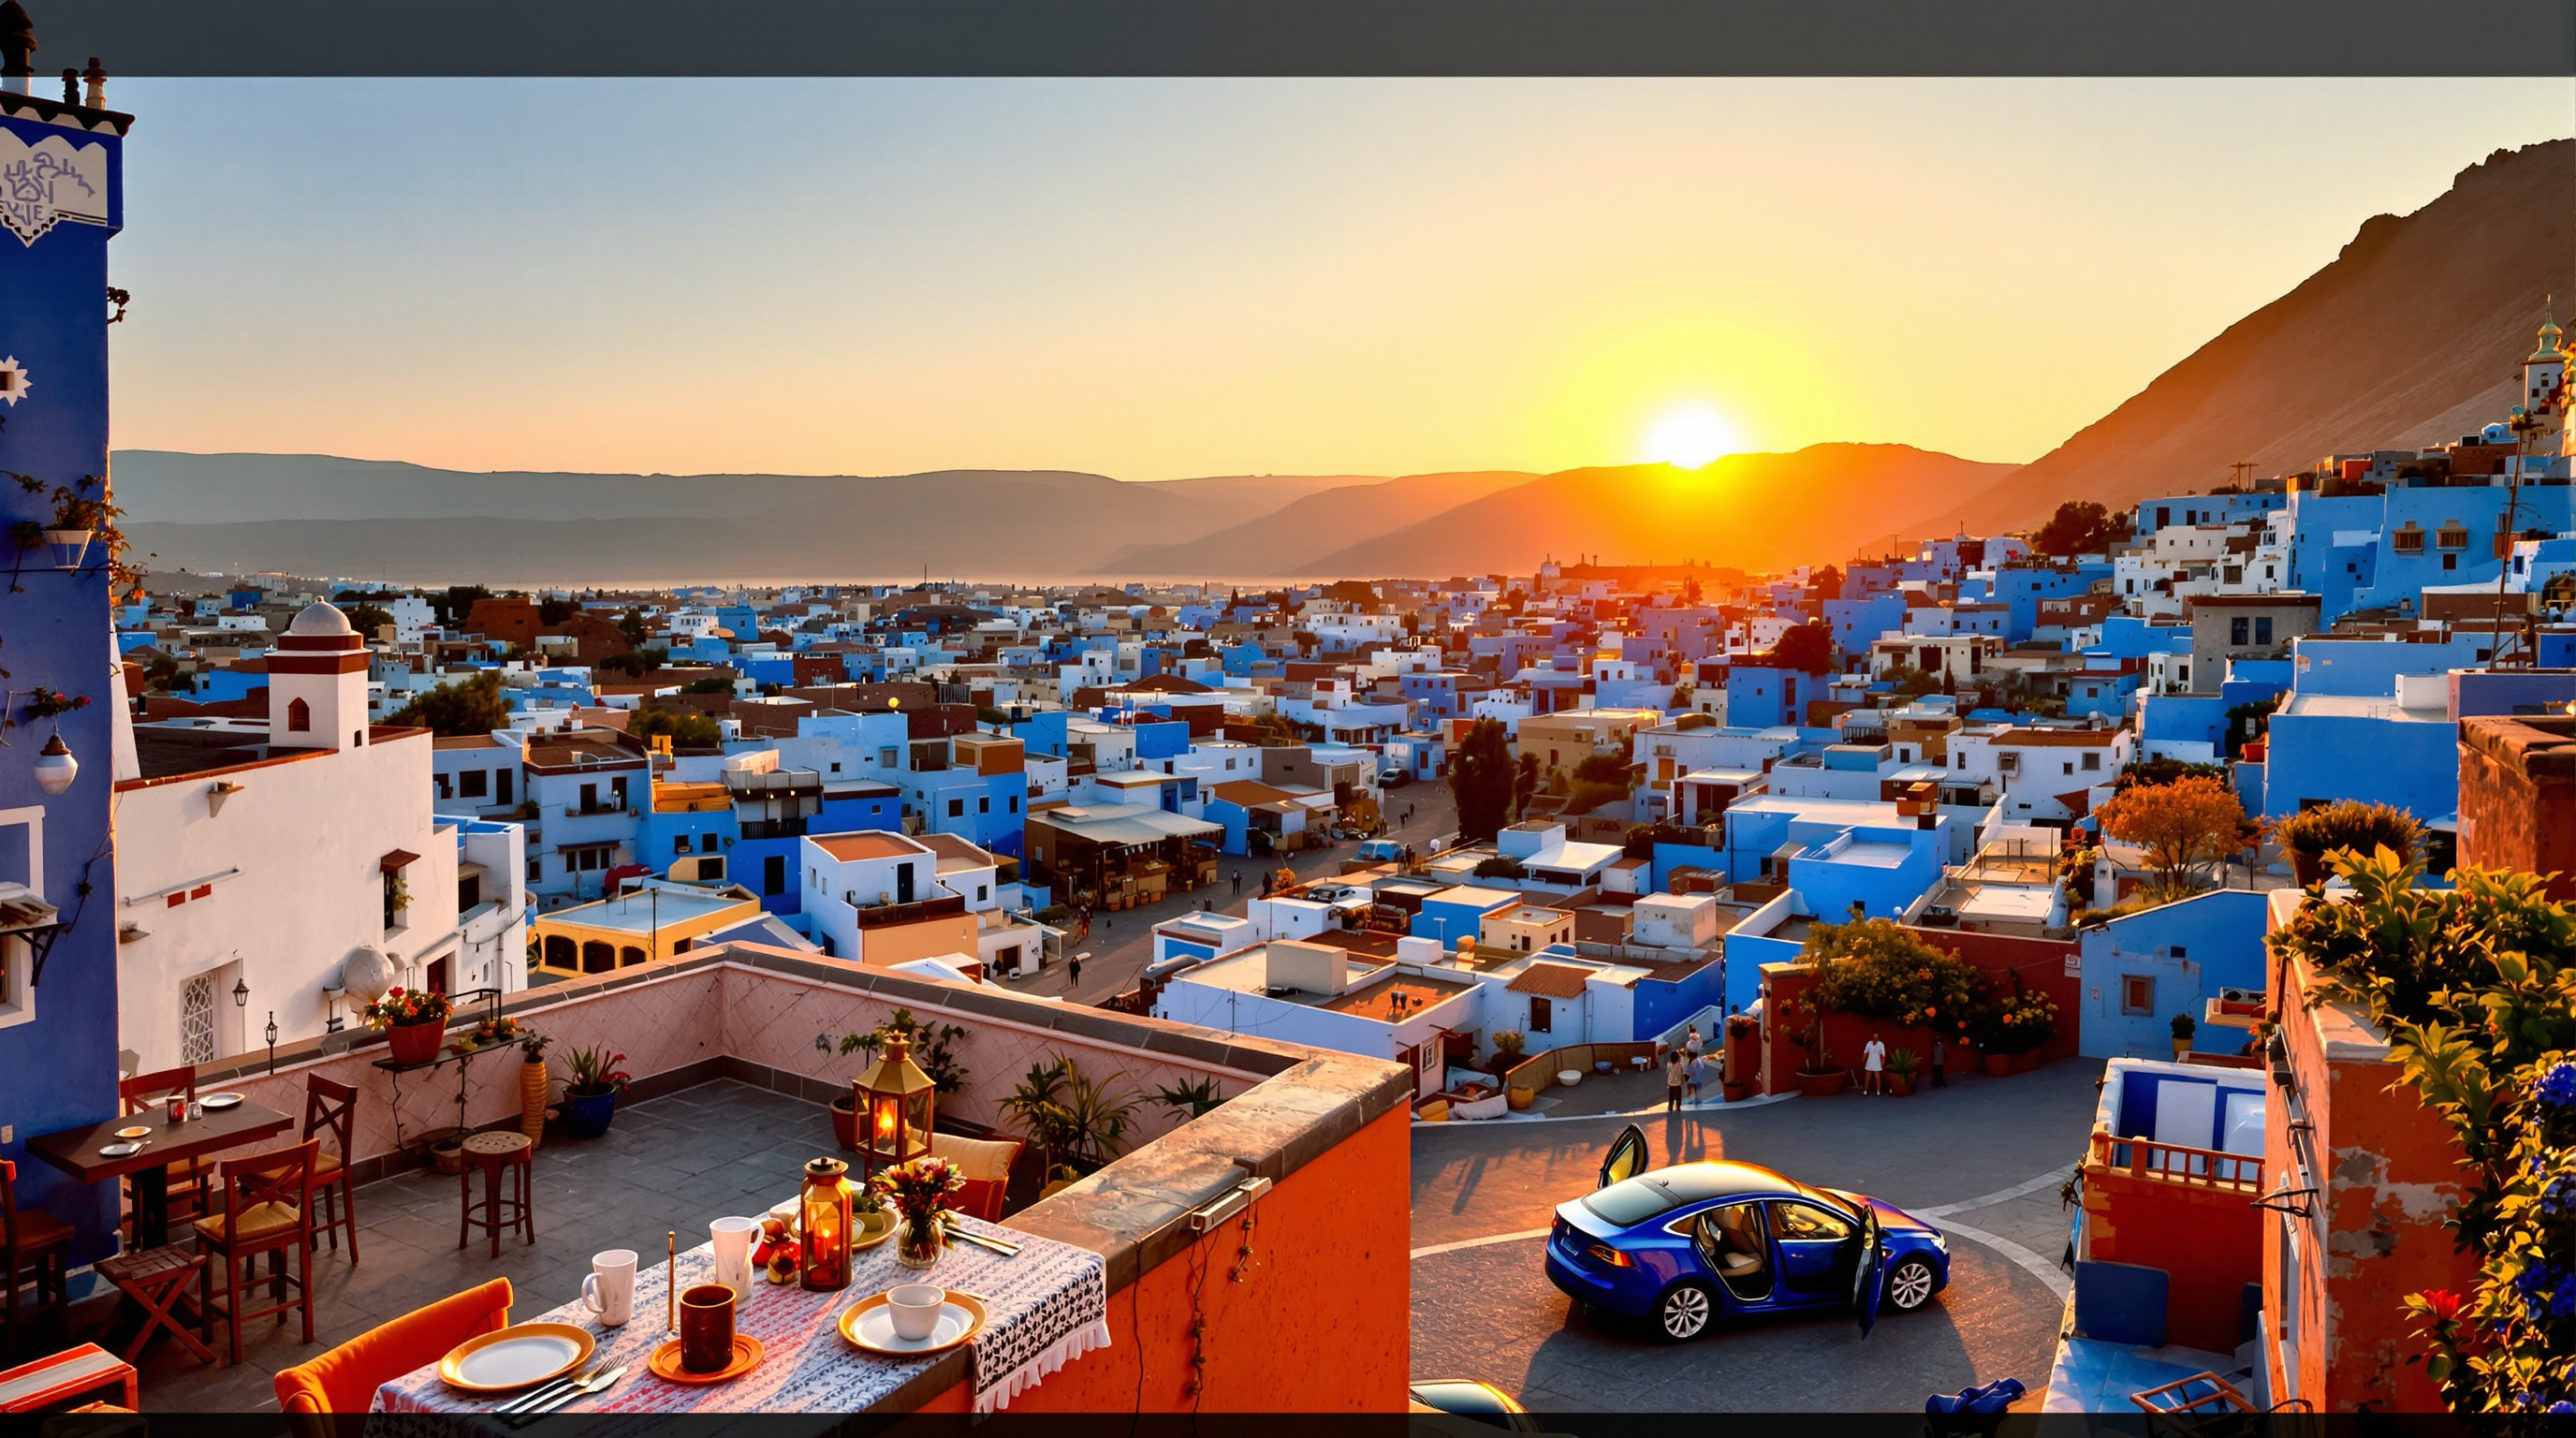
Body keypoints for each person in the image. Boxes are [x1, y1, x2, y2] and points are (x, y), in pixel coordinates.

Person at [1861, 1031, 1888, 1096]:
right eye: (1874, 1037)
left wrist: (1883, 1062)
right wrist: (1863, 1059)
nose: (1875, 1038)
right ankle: (1865, 1090)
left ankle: (1878, 1090)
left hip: (1877, 1063)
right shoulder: (1869, 1044)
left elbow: (1883, 1054)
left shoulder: (1881, 1044)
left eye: (1876, 1037)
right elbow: (1866, 1052)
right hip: (1869, 1062)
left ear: (1878, 1037)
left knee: (1877, 1077)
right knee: (1867, 1077)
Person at [1664, 1048, 1687, 1112]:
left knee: (1671, 1096)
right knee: (1678, 1096)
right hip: (1678, 1082)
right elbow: (1683, 1060)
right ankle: (1678, 1107)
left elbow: (1667, 1072)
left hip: (1671, 1082)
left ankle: (1670, 1106)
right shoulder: (1680, 1065)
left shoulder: (1669, 1064)